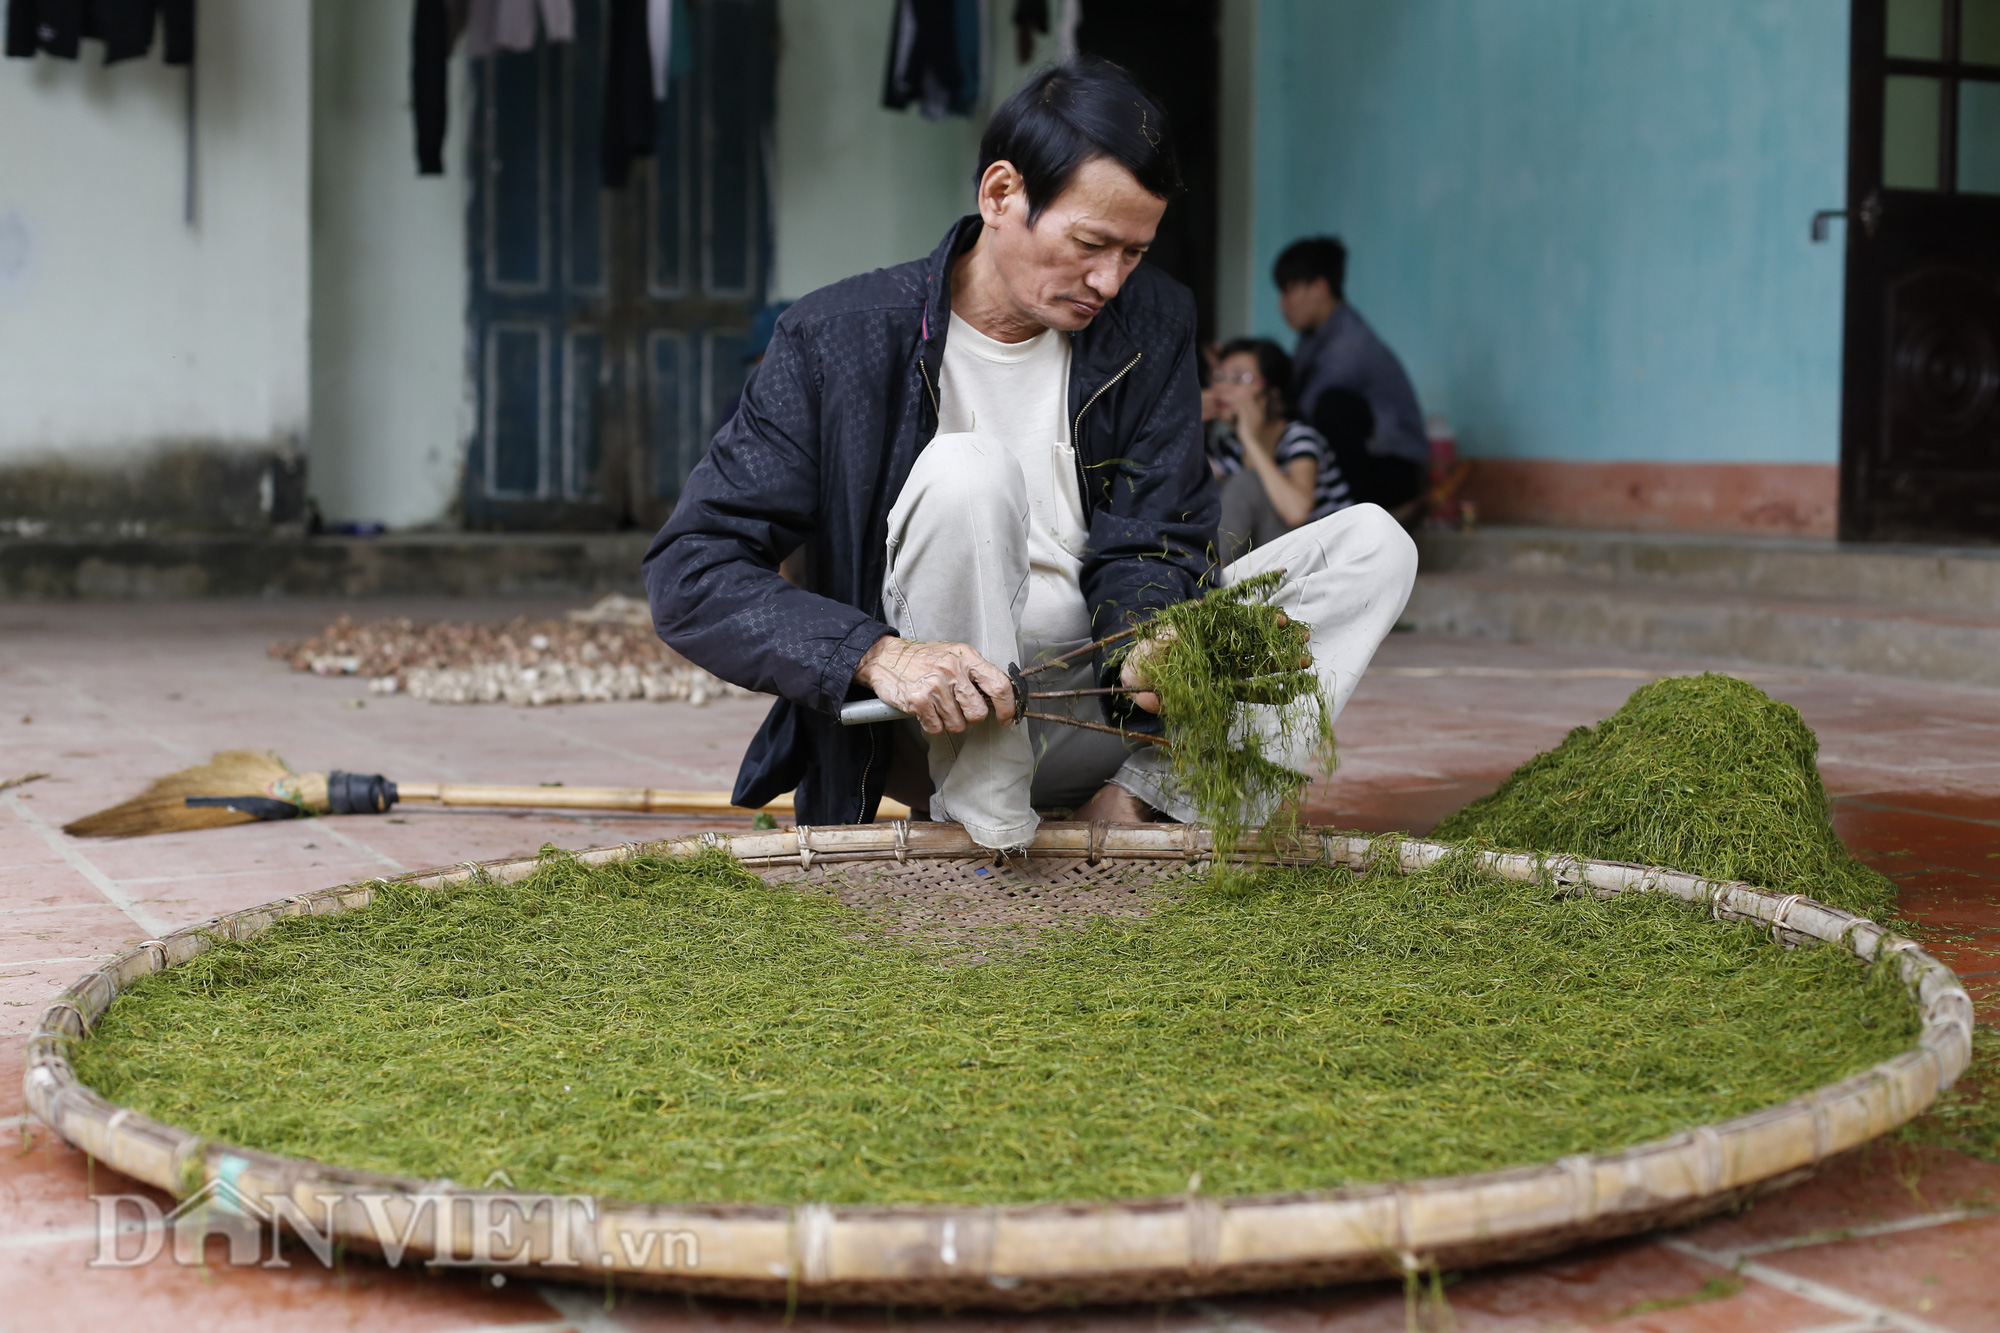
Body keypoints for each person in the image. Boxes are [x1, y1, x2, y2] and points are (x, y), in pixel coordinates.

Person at [644, 59, 1416, 849]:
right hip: (938, 725)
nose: (1110, 280)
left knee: (1372, 546)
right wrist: (878, 655)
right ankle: (992, 825)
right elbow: (692, 568)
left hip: (1106, 709)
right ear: (1001, 194)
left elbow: (1156, 533)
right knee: (963, 470)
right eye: (1090, 243)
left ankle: (1140, 804)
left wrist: (1150, 640)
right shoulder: (836, 338)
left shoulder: (1154, 323)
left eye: (1135, 253)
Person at [1274, 236, 1430, 518]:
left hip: (1394, 473)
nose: (1282, 304)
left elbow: (1302, 410)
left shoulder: (1349, 342)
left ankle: (1369, 519)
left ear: (1320, 288)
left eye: (1288, 291)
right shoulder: (1313, 337)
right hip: (1370, 463)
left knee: (1331, 407)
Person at [1204, 337, 1351, 562]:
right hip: (1274, 563)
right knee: (1207, 487)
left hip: (1325, 560)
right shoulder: (1228, 447)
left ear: (1271, 392)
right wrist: (1190, 422)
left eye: (1238, 378)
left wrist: (1251, 440)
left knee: (1247, 483)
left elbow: (1297, 511)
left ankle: (1205, 585)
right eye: (1219, 376)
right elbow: (1175, 487)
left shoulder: (1299, 438)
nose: (1223, 387)